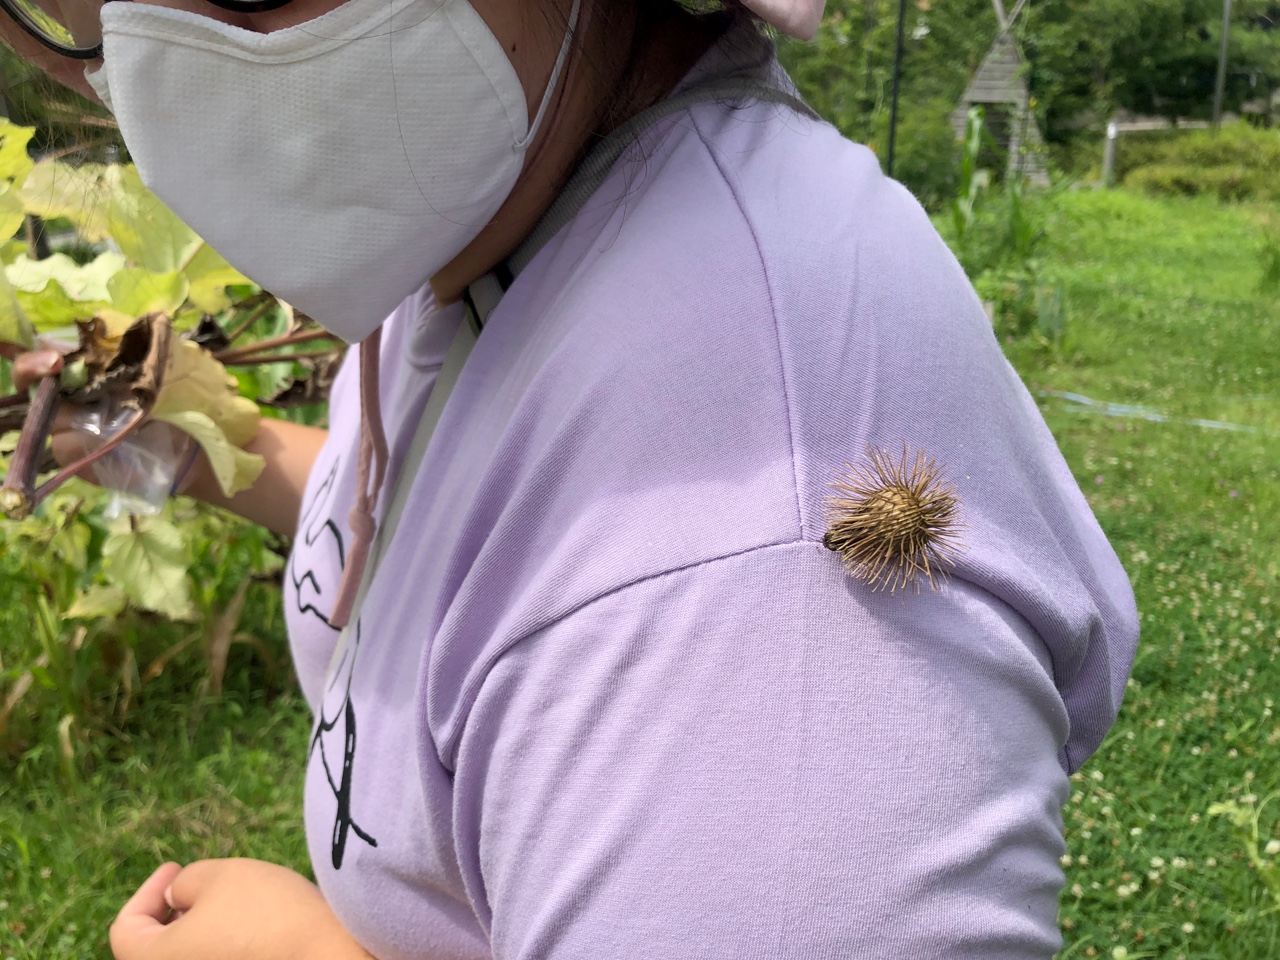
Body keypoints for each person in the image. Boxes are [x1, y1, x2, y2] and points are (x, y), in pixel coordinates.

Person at [4, 0, 1140, 954]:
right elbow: (455, 537)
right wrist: (195, 453)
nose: (156, 71)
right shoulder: (481, 234)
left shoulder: (753, 573)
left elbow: (632, 579)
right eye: (68, 17)